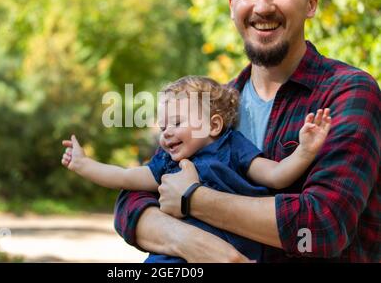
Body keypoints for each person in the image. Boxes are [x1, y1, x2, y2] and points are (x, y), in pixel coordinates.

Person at [114, 0, 381, 262]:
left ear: (310, 3)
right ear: (232, 5)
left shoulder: (347, 92)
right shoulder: (213, 104)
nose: (263, 7)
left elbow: (323, 225)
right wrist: (193, 243)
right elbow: (132, 203)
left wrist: (193, 199)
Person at [62, 76, 331, 262]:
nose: (166, 133)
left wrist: (304, 151)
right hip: (170, 258)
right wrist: (84, 164)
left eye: (177, 123)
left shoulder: (233, 148)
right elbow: (125, 177)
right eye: (163, 126)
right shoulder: (168, 162)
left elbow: (276, 175)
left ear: (213, 125)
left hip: (235, 254)